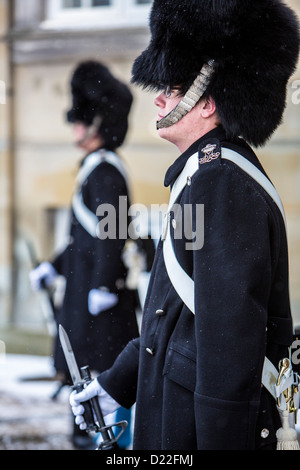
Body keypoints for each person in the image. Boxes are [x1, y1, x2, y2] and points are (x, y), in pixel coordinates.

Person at [69, 1, 300, 450]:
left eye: (173, 89)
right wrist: (120, 381)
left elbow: (229, 343)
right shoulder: (204, 175)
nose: (159, 98)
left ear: (207, 102)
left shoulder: (222, 184)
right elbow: (173, 310)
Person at [30, 60, 140, 449]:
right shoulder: (94, 169)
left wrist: (104, 284)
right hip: (86, 294)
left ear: (98, 124)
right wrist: (52, 266)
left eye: (82, 119)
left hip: (99, 302)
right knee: (82, 381)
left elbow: (112, 233)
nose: (76, 127)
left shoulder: (107, 172)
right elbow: (82, 238)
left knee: (96, 386)